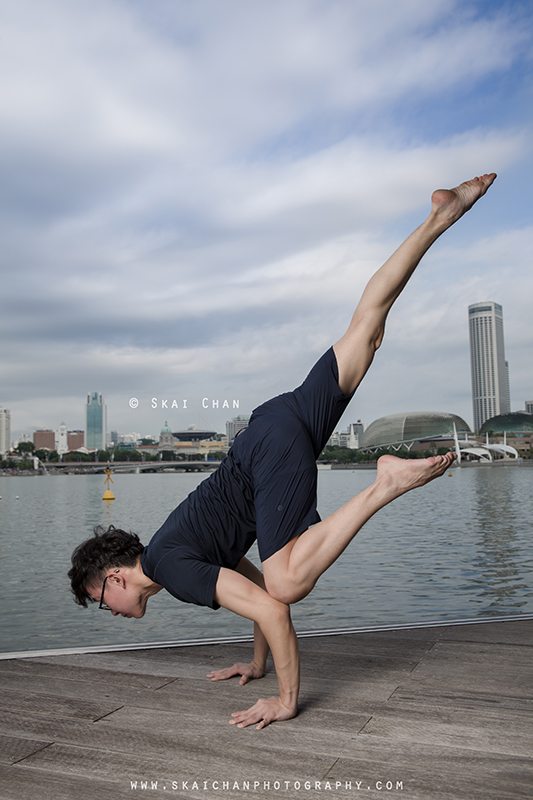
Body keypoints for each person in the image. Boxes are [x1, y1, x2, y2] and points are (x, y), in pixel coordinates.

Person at [69, 173, 496, 730]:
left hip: (269, 449)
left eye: (101, 601)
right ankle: (442, 215)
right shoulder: (179, 551)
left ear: (116, 579)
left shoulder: (172, 567)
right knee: (366, 329)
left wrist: (285, 700)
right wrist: (257, 663)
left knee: (288, 580)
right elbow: (255, 593)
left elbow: (274, 604)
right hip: (275, 424)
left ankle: (384, 484)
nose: (111, 612)